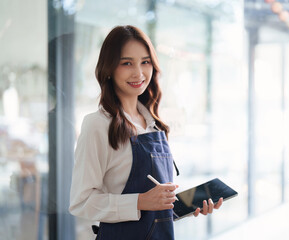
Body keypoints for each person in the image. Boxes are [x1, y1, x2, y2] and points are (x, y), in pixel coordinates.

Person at [69, 25, 223, 240]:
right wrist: (140, 201)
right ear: (109, 69)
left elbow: (153, 210)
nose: (139, 73)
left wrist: (183, 205)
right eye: (126, 63)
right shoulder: (97, 124)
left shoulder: (155, 125)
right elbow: (81, 202)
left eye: (145, 62)